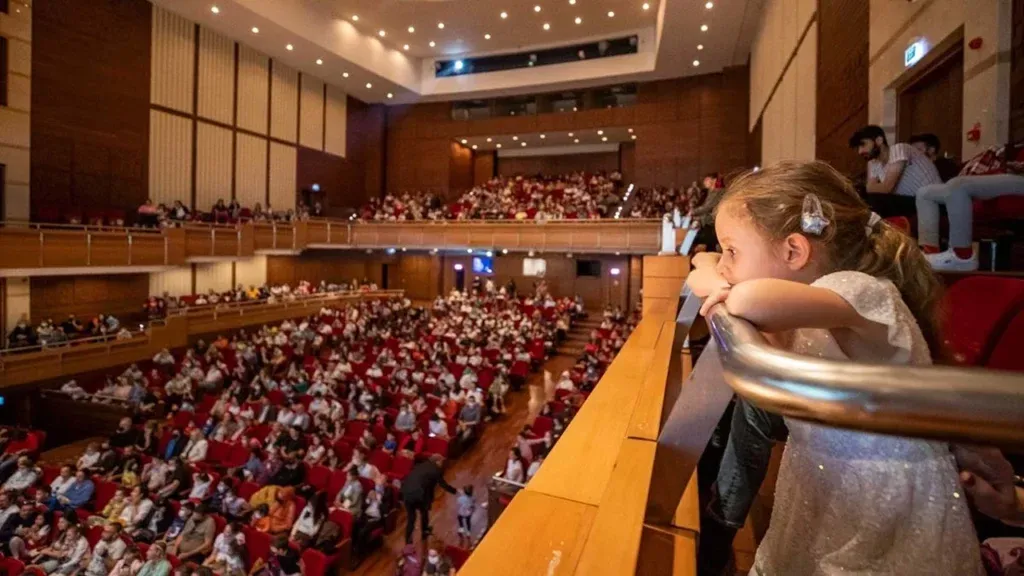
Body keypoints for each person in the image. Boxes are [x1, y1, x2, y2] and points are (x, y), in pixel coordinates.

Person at [686, 161, 981, 574]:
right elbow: (702, 264)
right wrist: (717, 271)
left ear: (794, 251)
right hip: (825, 480)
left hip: (884, 500)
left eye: (732, 252)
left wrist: (720, 288)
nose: (725, 266)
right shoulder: (806, 297)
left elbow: (746, 299)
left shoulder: (857, 288)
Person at [915, 143, 1024, 271]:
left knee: (958, 185)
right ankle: (929, 255)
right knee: (925, 193)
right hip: (1014, 175)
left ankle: (962, 256)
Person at [849, 124, 941, 218]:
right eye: (858, 148)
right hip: (914, 201)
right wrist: (869, 188)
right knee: (863, 199)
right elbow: (870, 189)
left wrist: (871, 188)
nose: (860, 151)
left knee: (876, 201)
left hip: (934, 201)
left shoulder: (899, 149)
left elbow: (886, 188)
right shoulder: (873, 162)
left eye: (863, 145)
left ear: (879, 140)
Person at [399, 454, 456, 544]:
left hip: (406, 493)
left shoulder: (421, 465)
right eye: (442, 461)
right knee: (424, 512)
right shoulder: (436, 470)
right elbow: (443, 485)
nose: (442, 463)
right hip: (419, 494)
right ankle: (424, 531)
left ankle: (408, 540)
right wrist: (455, 491)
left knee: (411, 518)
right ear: (437, 462)